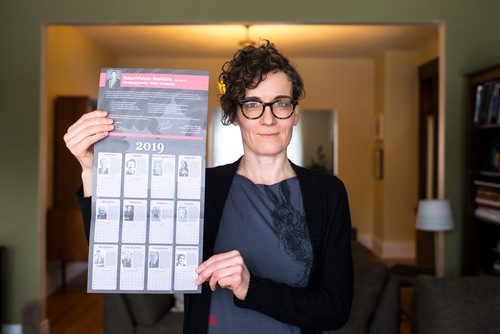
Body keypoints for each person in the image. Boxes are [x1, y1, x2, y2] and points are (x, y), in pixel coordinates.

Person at [64, 40, 353, 334]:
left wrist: (251, 287)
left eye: (280, 103)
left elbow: (335, 309)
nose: (268, 118)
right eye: (252, 104)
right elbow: (120, 253)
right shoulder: (200, 187)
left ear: (295, 113)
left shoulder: (328, 193)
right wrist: (91, 170)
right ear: (235, 114)